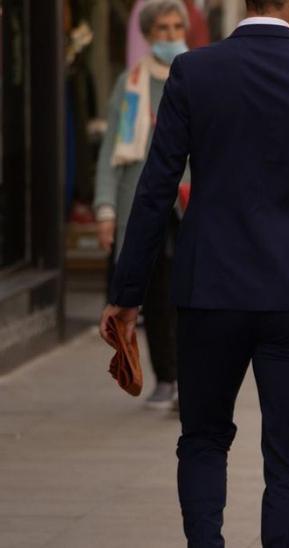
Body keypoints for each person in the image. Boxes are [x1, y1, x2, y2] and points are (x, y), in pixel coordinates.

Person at [98, 0, 289, 545]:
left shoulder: (195, 70)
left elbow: (156, 187)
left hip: (210, 286)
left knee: (203, 439)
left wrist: (128, 292)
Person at [94, 0, 189, 412]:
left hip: (189, 203)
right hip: (142, 203)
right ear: (149, 35)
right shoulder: (130, 83)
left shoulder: (197, 75)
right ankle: (166, 377)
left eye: (175, 27)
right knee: (154, 293)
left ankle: (188, 377)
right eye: (162, 29)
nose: (170, 35)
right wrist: (104, 209)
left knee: (188, 293)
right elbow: (112, 151)